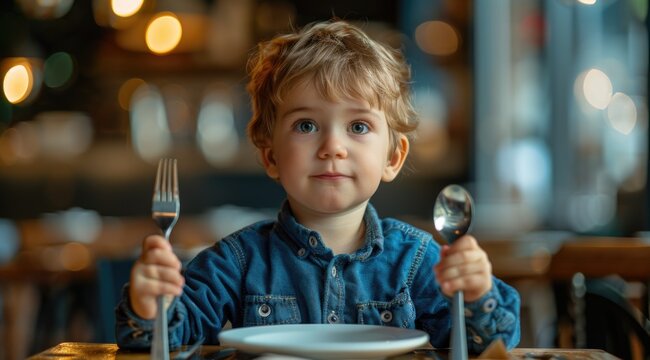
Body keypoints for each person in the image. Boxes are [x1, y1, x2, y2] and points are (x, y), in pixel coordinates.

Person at [116, 19, 520, 353]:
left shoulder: (417, 262)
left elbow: (492, 346)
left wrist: (477, 293)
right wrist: (151, 304)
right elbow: (162, 343)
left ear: (392, 157)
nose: (332, 147)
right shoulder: (236, 262)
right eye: (306, 125)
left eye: (358, 126)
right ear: (271, 156)